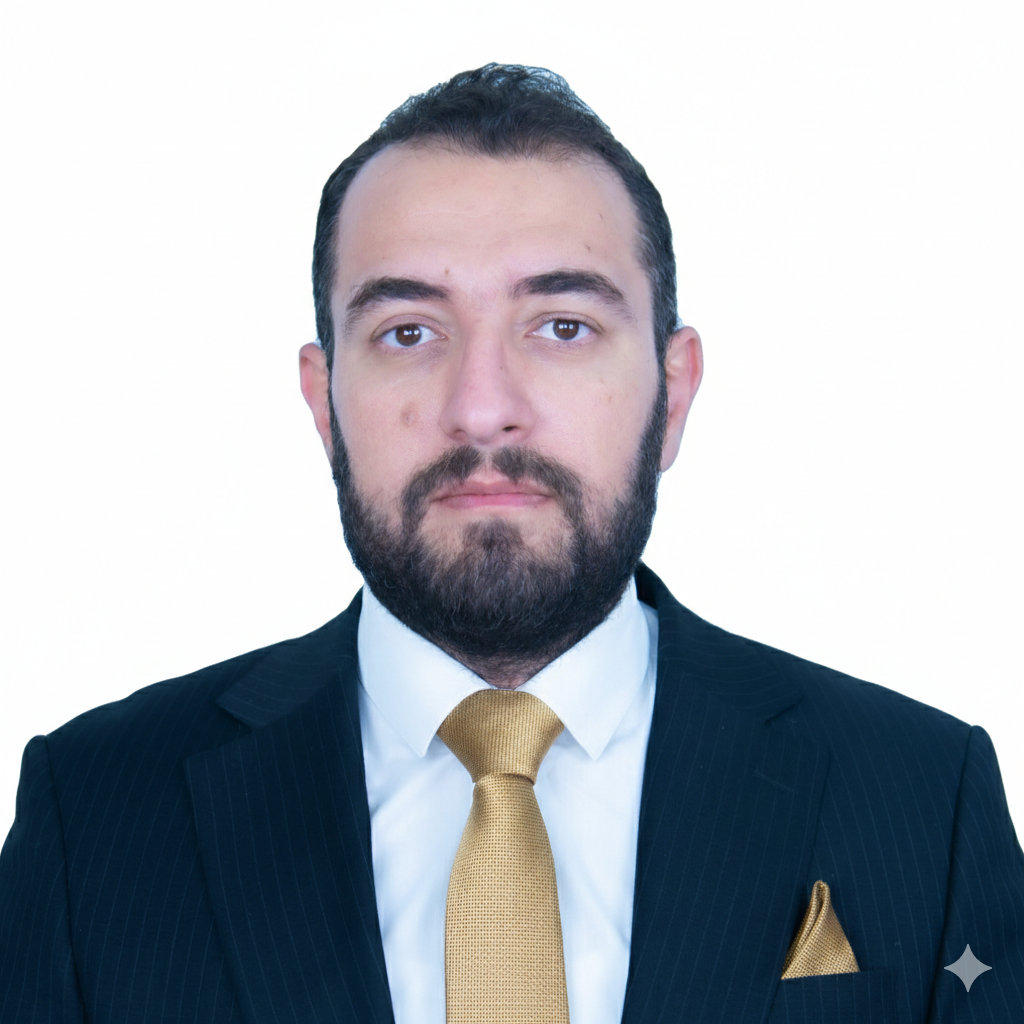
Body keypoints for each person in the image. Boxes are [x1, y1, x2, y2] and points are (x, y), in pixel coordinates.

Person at [1, 63, 1021, 1024]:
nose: (482, 408)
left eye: (562, 326)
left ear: (673, 395)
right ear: (324, 402)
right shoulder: (94, 814)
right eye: (408, 331)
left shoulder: (922, 799)